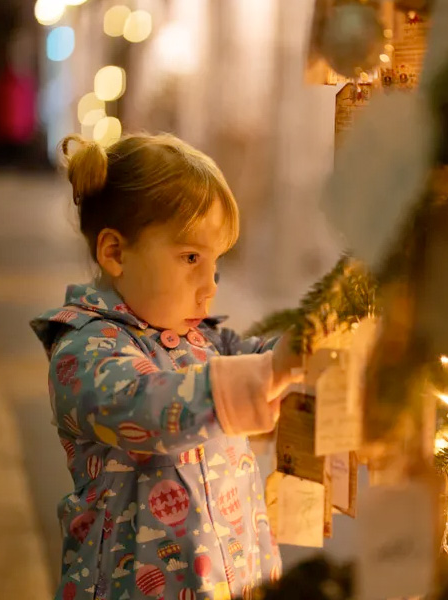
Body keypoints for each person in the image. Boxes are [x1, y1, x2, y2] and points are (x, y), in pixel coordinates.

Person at [30, 133, 303, 600]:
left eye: (215, 264)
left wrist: (313, 342)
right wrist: (272, 370)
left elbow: (261, 354)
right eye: (191, 258)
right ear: (114, 252)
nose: (210, 285)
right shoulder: (83, 353)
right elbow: (152, 406)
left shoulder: (206, 339)